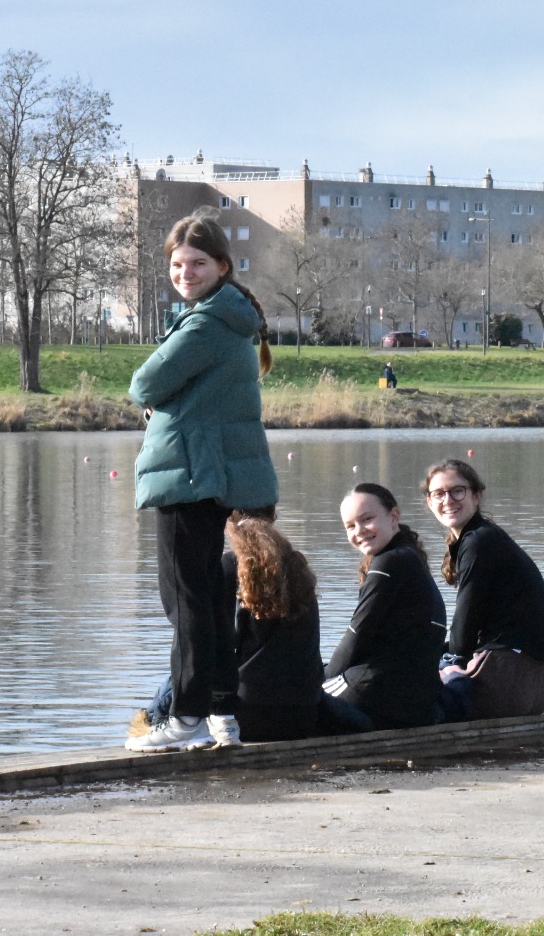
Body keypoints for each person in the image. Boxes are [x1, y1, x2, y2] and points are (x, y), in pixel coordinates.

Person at [125, 211, 279, 754]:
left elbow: (144, 380)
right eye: (177, 264)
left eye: (196, 263)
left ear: (221, 266)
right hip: (217, 470)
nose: (185, 272)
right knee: (212, 598)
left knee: (185, 598)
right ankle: (221, 714)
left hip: (191, 472)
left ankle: (185, 714)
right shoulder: (230, 318)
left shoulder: (204, 323)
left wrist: (159, 405)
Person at [131, 509, 327, 745]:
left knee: (182, 675)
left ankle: (154, 721)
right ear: (273, 517)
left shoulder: (230, 566)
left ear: (225, 524)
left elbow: (211, 644)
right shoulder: (298, 569)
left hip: (246, 716)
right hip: (302, 715)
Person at [422, 459, 544, 719]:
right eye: (439, 494)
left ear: (476, 496)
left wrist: (451, 661)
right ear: (429, 502)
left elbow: (466, 617)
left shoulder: (478, 541)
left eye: (457, 491)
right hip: (535, 686)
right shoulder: (483, 536)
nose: (448, 500)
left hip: (506, 680)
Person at [326, 483, 447, 730]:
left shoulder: (388, 563)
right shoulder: (410, 558)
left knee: (301, 696)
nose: (359, 531)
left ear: (394, 516)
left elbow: (355, 636)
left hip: (377, 695)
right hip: (417, 703)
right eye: (350, 526)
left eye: (367, 519)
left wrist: (323, 676)